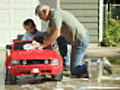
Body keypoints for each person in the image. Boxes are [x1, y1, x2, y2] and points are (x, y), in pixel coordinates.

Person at [33, 4, 89, 77]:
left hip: (80, 40)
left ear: (45, 11)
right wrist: (36, 37)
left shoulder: (56, 14)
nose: (40, 18)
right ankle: (66, 63)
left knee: (75, 71)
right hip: (71, 38)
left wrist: (42, 46)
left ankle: (98, 64)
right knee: (60, 40)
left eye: (40, 15)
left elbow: (56, 33)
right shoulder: (52, 18)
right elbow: (48, 32)